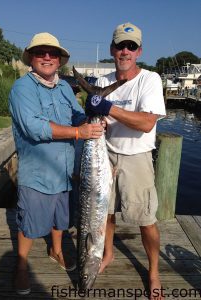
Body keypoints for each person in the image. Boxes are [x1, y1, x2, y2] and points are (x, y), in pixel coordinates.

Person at [9, 32, 104, 295]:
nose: (47, 58)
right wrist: (79, 133)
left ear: (60, 60)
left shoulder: (64, 87)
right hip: (37, 172)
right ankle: (21, 265)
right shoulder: (22, 88)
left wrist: (91, 121)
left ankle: (57, 250)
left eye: (52, 54)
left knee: (60, 219)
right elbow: (34, 127)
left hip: (66, 169)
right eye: (41, 53)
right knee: (29, 223)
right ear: (31, 58)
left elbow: (75, 115)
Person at [85, 22, 166, 299]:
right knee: (104, 214)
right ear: (112, 49)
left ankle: (154, 271)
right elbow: (99, 121)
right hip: (103, 153)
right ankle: (107, 254)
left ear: (139, 51)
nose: (125, 51)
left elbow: (146, 123)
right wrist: (93, 115)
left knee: (146, 219)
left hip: (136, 157)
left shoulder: (150, 80)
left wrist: (108, 107)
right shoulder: (103, 81)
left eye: (131, 46)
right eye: (120, 45)